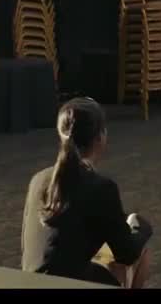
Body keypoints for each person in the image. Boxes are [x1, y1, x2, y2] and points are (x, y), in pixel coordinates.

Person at [21, 97, 153, 287]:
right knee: (140, 255)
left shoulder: (37, 180)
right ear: (100, 137)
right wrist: (141, 227)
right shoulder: (102, 187)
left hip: (29, 283)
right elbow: (127, 254)